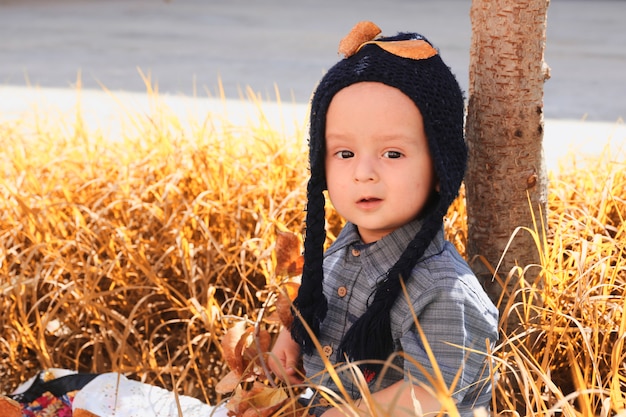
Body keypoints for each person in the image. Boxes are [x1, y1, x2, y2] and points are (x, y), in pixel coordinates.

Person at [269, 21, 499, 417]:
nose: (364, 173)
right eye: (344, 154)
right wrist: (292, 338)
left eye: (392, 154)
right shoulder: (347, 245)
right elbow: (318, 310)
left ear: (440, 167)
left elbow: (432, 393)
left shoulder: (441, 287)